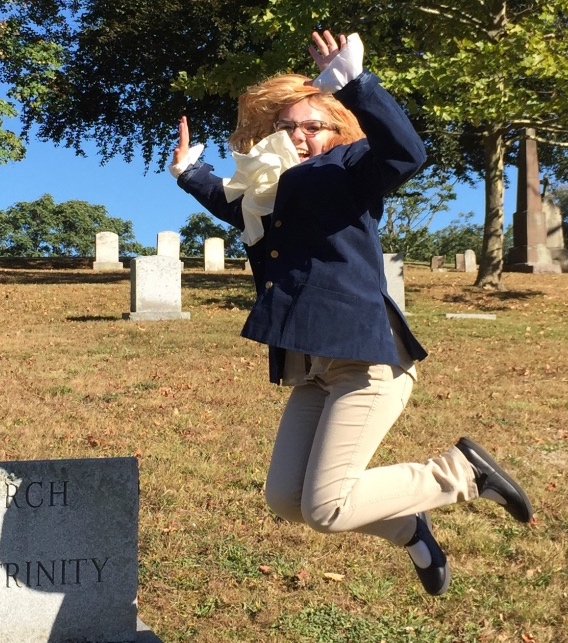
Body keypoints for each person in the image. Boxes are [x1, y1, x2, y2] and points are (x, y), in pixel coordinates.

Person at [169, 30, 533, 595]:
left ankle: (462, 474)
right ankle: (411, 526)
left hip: (368, 360)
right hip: (312, 366)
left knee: (327, 506)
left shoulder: (353, 169)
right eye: (288, 127)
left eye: (312, 125)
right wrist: (192, 175)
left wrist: (359, 85)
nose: (299, 135)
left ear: (338, 131)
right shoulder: (275, 188)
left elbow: (406, 152)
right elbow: (246, 208)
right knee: (287, 499)